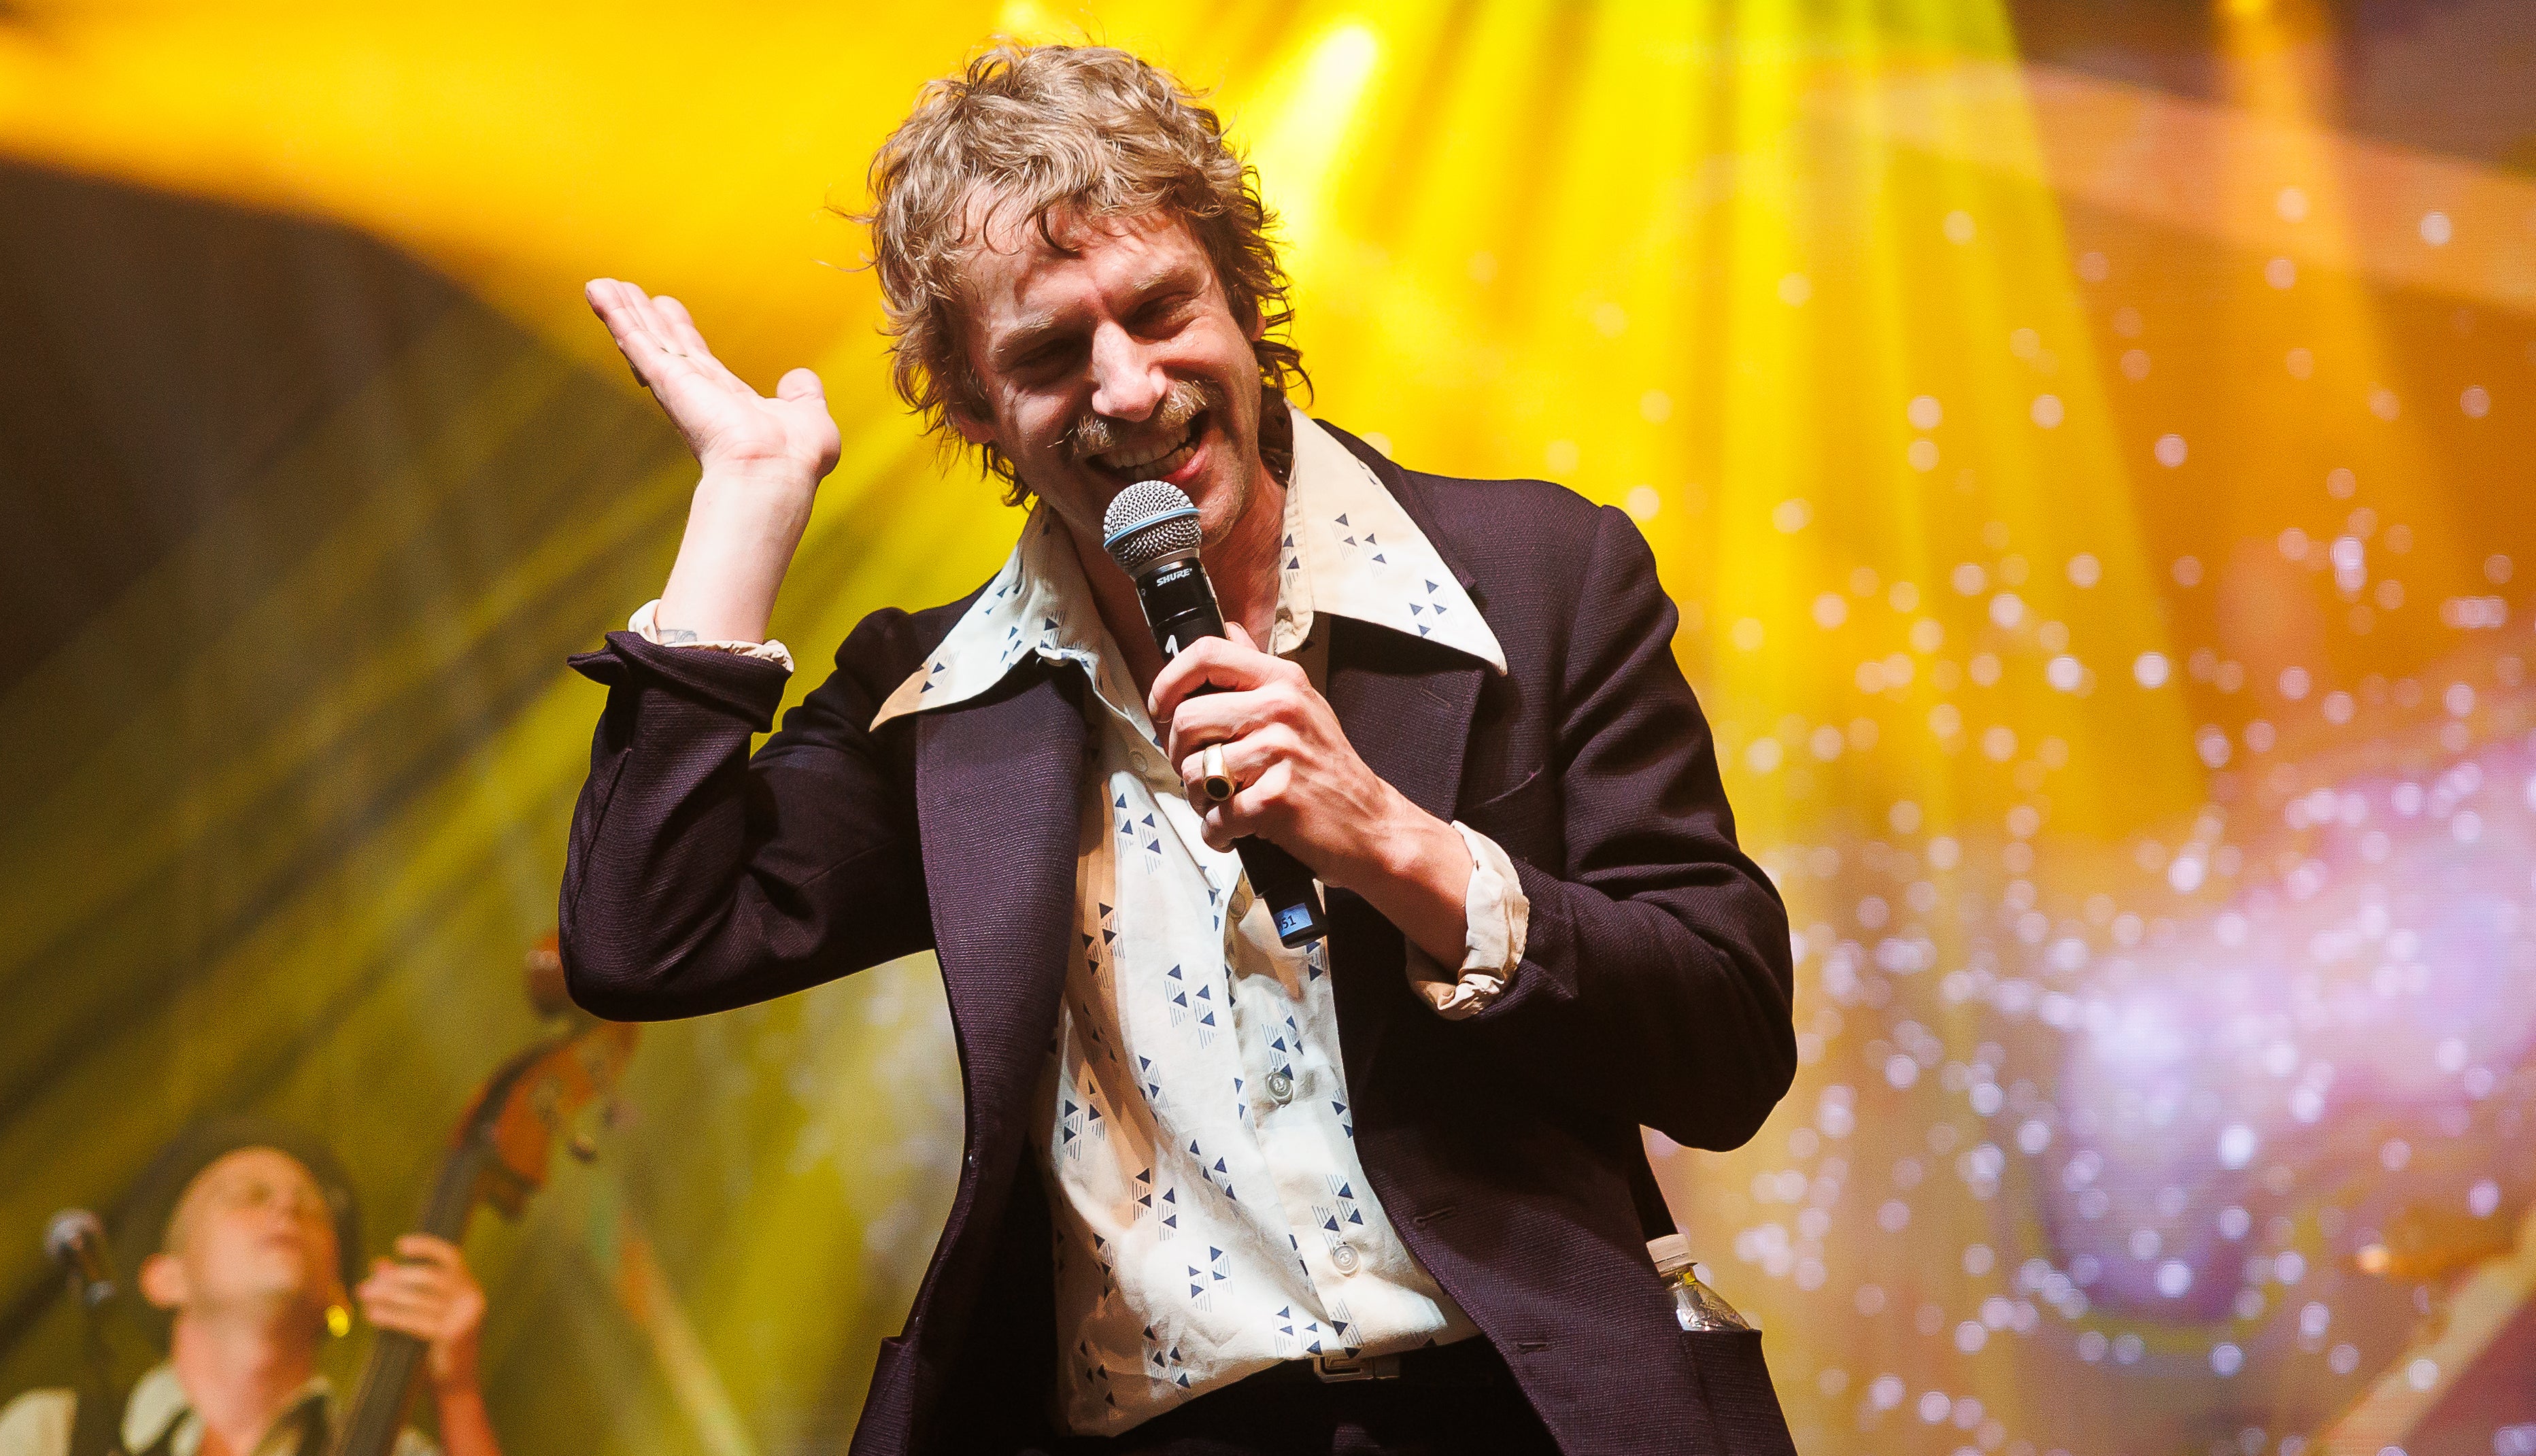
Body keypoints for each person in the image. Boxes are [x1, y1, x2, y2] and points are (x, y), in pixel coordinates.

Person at [564, 43, 1797, 1456]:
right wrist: (745, 501)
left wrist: (1396, 847)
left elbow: (1726, 1046)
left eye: (1159, 310)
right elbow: (643, 938)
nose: (1128, 387)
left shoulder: (1537, 576)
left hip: (1524, 1414)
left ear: (1242, 295)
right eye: (1047, 355)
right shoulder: (939, 699)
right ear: (972, 409)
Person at [0, 1121, 501, 1456]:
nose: (286, 1207)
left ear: (338, 1291)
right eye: (249, 1195)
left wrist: (457, 1392)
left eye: (311, 1208)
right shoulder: (53, 1434)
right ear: (166, 1277)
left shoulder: (395, 1451)